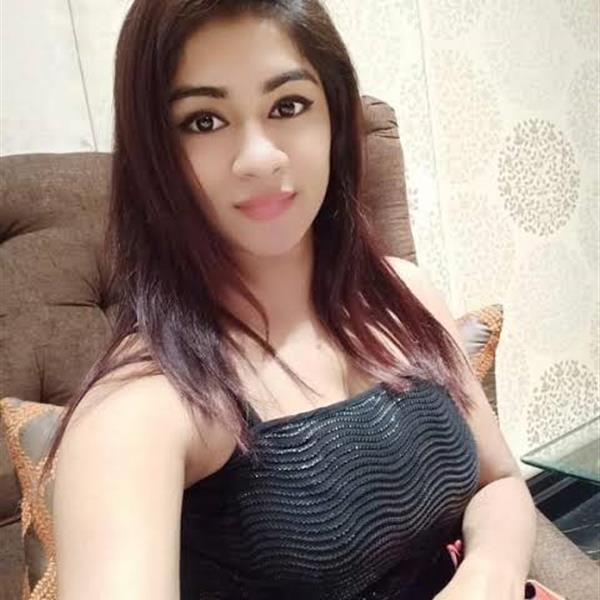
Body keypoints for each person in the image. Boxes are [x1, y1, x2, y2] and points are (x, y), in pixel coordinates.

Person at [46, 1, 537, 598]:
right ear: (156, 154)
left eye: (288, 105)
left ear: (334, 118)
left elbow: (499, 480)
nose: (259, 157)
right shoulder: (137, 409)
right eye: (204, 120)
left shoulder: (406, 294)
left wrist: (489, 571)